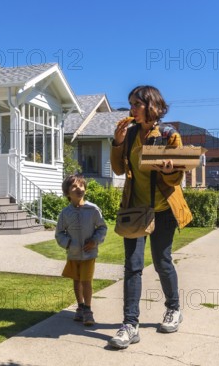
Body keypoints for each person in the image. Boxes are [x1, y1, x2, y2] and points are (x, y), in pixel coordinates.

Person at [108, 85, 193, 349]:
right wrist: (118, 142)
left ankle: (174, 308)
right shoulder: (130, 132)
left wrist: (168, 169)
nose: (131, 109)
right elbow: (119, 169)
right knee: (132, 266)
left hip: (163, 209)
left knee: (161, 262)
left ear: (151, 106)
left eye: (136, 104)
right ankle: (129, 325)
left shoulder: (168, 134)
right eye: (131, 104)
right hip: (136, 210)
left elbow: (176, 176)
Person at [55, 174, 107, 326]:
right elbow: (59, 233)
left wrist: (95, 241)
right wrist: (68, 243)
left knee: (87, 281)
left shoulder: (92, 210)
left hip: (89, 254)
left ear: (85, 189)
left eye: (81, 186)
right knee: (77, 280)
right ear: (67, 193)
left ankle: (88, 309)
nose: (79, 189)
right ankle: (80, 306)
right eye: (74, 187)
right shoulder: (65, 213)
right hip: (73, 254)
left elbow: (102, 227)